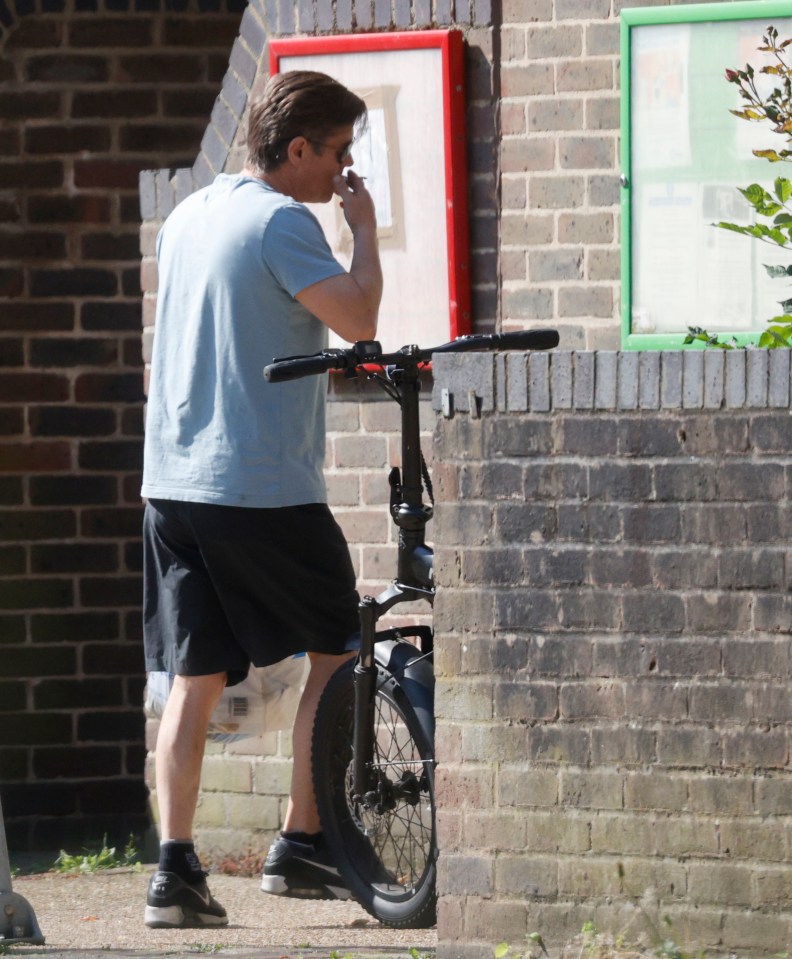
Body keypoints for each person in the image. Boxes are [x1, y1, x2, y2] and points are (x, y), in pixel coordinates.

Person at [140, 70, 382, 929]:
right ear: (300, 148)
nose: (344, 170)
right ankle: (304, 839)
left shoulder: (188, 217)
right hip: (261, 486)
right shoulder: (283, 220)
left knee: (192, 679)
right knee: (338, 647)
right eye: (339, 152)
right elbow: (357, 319)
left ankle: (174, 871)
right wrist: (364, 232)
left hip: (171, 484)